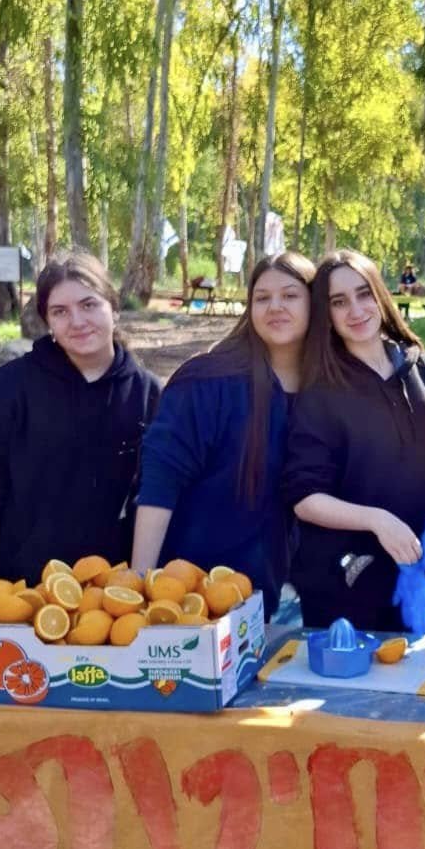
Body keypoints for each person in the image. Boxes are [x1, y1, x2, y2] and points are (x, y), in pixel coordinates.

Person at [0, 251, 160, 614]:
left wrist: (140, 587)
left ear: (114, 306)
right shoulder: (4, 391)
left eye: (89, 305)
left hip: (109, 602)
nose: (77, 321)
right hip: (21, 596)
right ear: (47, 321)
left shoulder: (149, 395)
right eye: (60, 312)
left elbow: (154, 500)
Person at [284, 248, 425, 634]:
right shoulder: (320, 391)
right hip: (344, 591)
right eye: (339, 301)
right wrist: (377, 521)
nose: (356, 309)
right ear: (326, 315)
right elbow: (304, 498)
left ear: (381, 294)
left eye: (364, 293)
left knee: (422, 687)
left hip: (421, 579)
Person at [132, 252, 315, 617]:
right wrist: (140, 586)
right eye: (262, 298)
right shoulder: (208, 380)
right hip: (189, 597)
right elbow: (159, 481)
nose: (274, 307)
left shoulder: (327, 391)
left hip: (283, 599)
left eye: (290, 295)